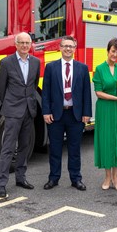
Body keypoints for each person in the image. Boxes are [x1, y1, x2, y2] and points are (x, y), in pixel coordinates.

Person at [42, 35, 92, 191]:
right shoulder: (51, 67)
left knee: (74, 149)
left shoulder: (82, 68)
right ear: (60, 48)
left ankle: (76, 179)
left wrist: (86, 113)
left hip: (75, 115)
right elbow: (46, 92)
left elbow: (86, 93)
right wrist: (46, 111)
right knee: (55, 149)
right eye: (65, 46)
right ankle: (53, 178)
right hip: (56, 115)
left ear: (74, 48)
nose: (68, 49)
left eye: (70, 46)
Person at [0, 32, 41, 199]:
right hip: (13, 111)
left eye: (27, 43)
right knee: (7, 148)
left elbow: (33, 85)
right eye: (21, 42)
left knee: (24, 147)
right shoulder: (6, 62)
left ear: (31, 45)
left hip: (29, 110)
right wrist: (10, 105)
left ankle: (21, 178)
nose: (24, 46)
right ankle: (1, 184)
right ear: (15, 44)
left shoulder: (36, 62)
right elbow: (1, 89)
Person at [93, 38, 117, 191]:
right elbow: (98, 92)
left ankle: (116, 177)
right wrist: (115, 98)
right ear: (107, 51)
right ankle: (107, 177)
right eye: (113, 51)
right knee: (107, 141)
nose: (115, 54)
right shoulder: (100, 69)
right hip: (105, 108)